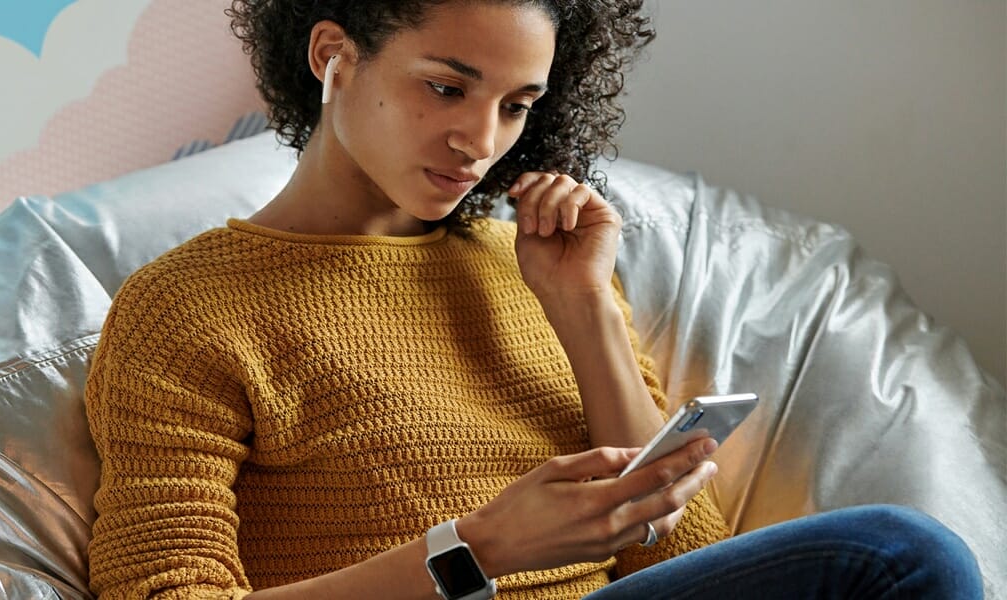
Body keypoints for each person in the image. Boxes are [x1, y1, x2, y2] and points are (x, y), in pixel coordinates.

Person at [83, 1, 984, 598]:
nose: (480, 141)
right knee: (900, 558)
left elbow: (689, 558)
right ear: (333, 56)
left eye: (516, 105)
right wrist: (477, 549)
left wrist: (584, 309)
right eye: (446, 87)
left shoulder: (527, 263)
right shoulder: (186, 307)